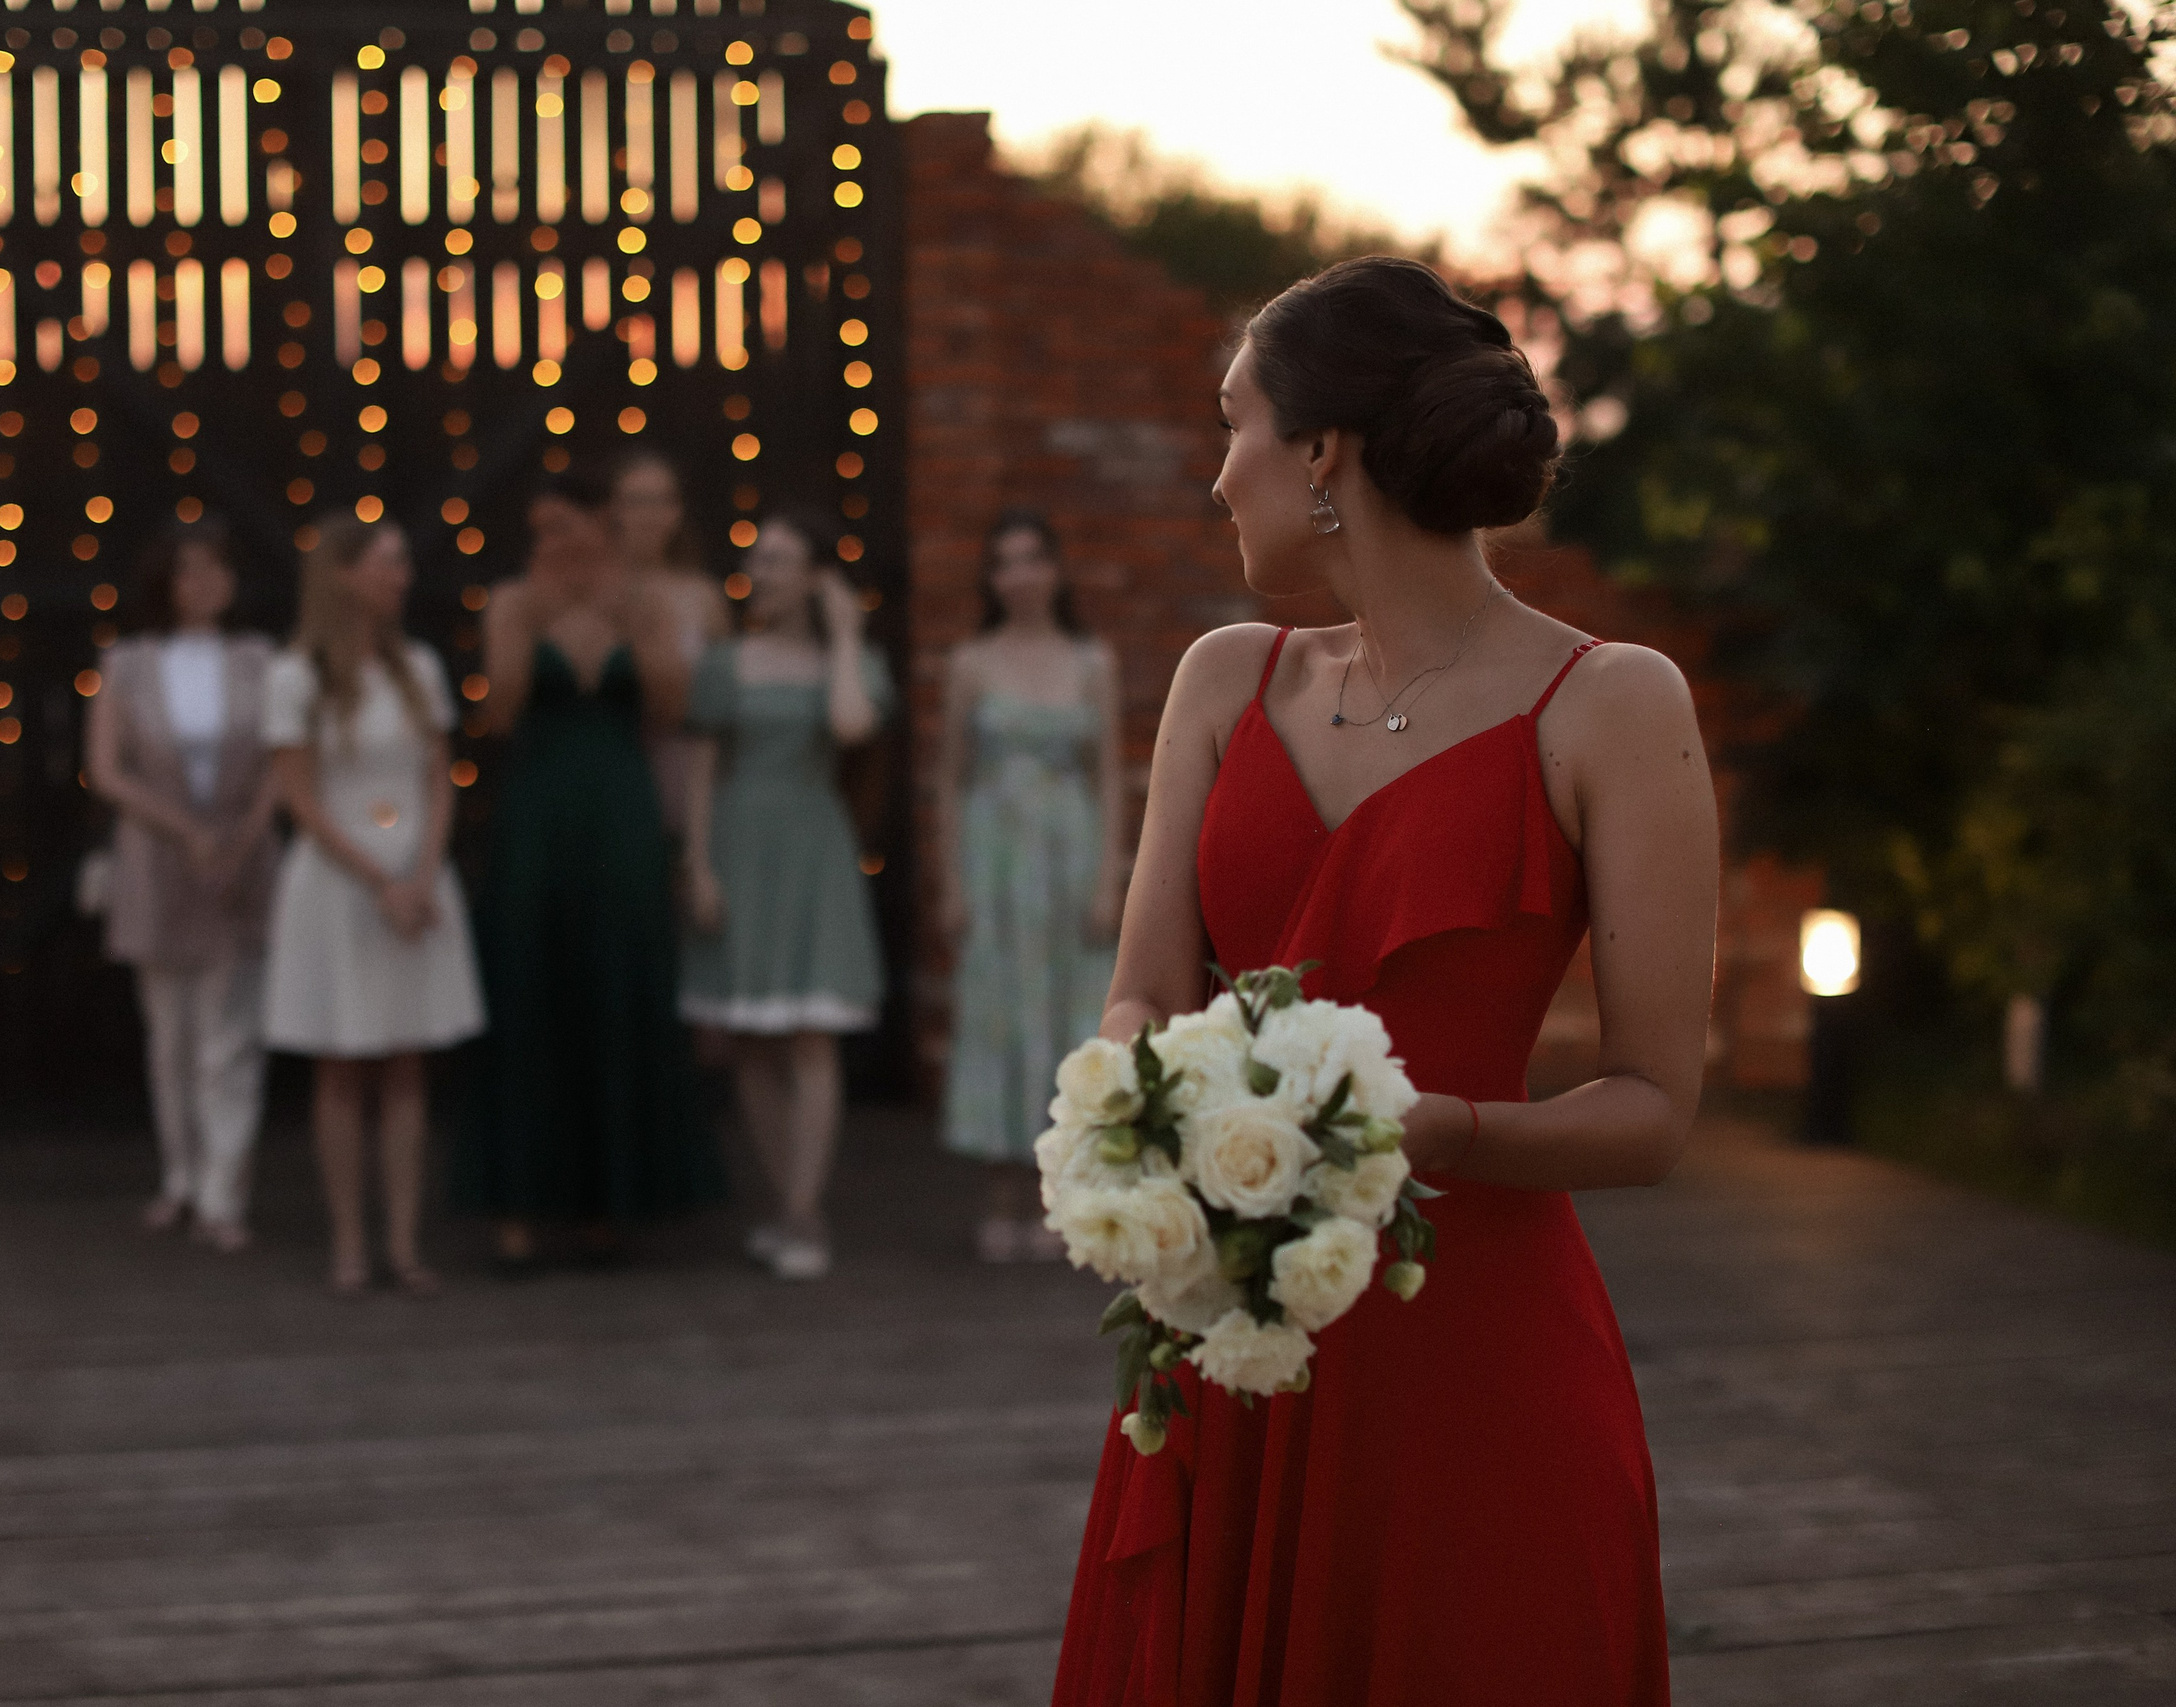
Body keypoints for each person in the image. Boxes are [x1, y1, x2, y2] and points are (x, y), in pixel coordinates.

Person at [1050, 257, 1717, 1704]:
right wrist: (1151, 1133)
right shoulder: (1224, 681)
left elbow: (1657, 1105)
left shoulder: (1612, 702)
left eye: (1230, 424)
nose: (1217, 473)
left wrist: (1440, 1134)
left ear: (1319, 452)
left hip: (1473, 1361)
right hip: (1230, 1342)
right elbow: (1140, 999)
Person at [457, 468, 720, 1270]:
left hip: (619, 805)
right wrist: (540, 615)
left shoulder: (642, 599)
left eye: (565, 526)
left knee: (620, 978)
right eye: (540, 531)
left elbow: (672, 707)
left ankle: (617, 1199)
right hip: (540, 808)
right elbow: (497, 710)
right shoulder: (511, 600)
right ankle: (519, 1204)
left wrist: (627, 621)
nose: (553, 543)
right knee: (533, 983)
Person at [262, 518, 485, 1296]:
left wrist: (422, 871)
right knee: (343, 1063)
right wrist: (374, 877)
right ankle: (348, 1240)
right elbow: (299, 794)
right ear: (345, 574)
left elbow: (437, 776)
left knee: (406, 1063)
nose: (402, 576)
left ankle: (402, 1238)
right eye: (389, 562)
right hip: (339, 880)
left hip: (414, 876)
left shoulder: (419, 668)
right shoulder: (297, 676)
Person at [681, 511, 894, 1282]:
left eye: (779, 560)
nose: (763, 573)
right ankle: (783, 1202)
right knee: (753, 1037)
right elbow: (703, 770)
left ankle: (805, 1208)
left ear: (814, 575)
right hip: (741, 846)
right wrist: (699, 866)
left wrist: (841, 633)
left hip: (814, 847)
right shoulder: (725, 663)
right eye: (757, 560)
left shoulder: (854, 662)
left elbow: (851, 723)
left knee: (811, 1034)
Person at [935, 510, 1126, 1263]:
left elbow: (1108, 773)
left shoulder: (1092, 662)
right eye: (1004, 562)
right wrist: (950, 879)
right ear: (991, 577)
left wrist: (1112, 876)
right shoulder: (970, 663)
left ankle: (1066, 1196)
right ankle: (1001, 1193)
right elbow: (950, 779)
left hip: (1070, 853)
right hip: (994, 858)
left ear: (1055, 569)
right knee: (997, 1013)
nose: (1019, 575)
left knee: (1069, 1014)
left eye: (1032, 559)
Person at [85, 520, 280, 1252]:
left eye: (216, 568)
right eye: (189, 570)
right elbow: (108, 770)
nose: (204, 583)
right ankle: (180, 1174)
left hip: (241, 857)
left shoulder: (259, 659)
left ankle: (223, 1191)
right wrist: (183, 829)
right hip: (159, 862)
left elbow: (280, 761)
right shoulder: (129, 665)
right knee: (171, 1034)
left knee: (230, 1034)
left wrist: (240, 837)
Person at [606, 447, 733, 836]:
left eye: (660, 501)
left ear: (677, 512)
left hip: (685, 767)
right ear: (614, 510)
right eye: (636, 501)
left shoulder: (704, 596)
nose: (648, 514)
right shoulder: (597, 594)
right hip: (613, 763)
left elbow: (725, 696)